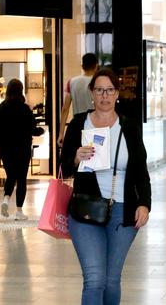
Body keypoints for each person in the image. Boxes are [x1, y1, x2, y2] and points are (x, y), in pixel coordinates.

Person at [61, 68, 151, 305]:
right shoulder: (79, 123)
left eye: (109, 90)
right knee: (94, 279)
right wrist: (75, 158)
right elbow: (63, 168)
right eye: (99, 90)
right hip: (85, 209)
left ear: (117, 94)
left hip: (123, 210)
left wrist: (144, 204)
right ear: (92, 93)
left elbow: (141, 171)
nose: (104, 95)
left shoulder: (129, 127)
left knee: (111, 280)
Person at [0, 79, 44, 220]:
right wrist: (40, 131)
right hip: (22, 148)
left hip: (5, 148)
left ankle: (5, 200)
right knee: (21, 179)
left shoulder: (2, 107)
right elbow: (33, 129)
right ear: (21, 91)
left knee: (11, 175)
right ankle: (19, 211)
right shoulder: (24, 108)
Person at [58, 53, 99, 146]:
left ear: (82, 66)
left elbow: (65, 109)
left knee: (77, 155)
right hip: (95, 125)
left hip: (77, 126)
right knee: (95, 154)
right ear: (96, 65)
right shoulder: (99, 82)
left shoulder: (72, 82)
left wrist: (61, 134)